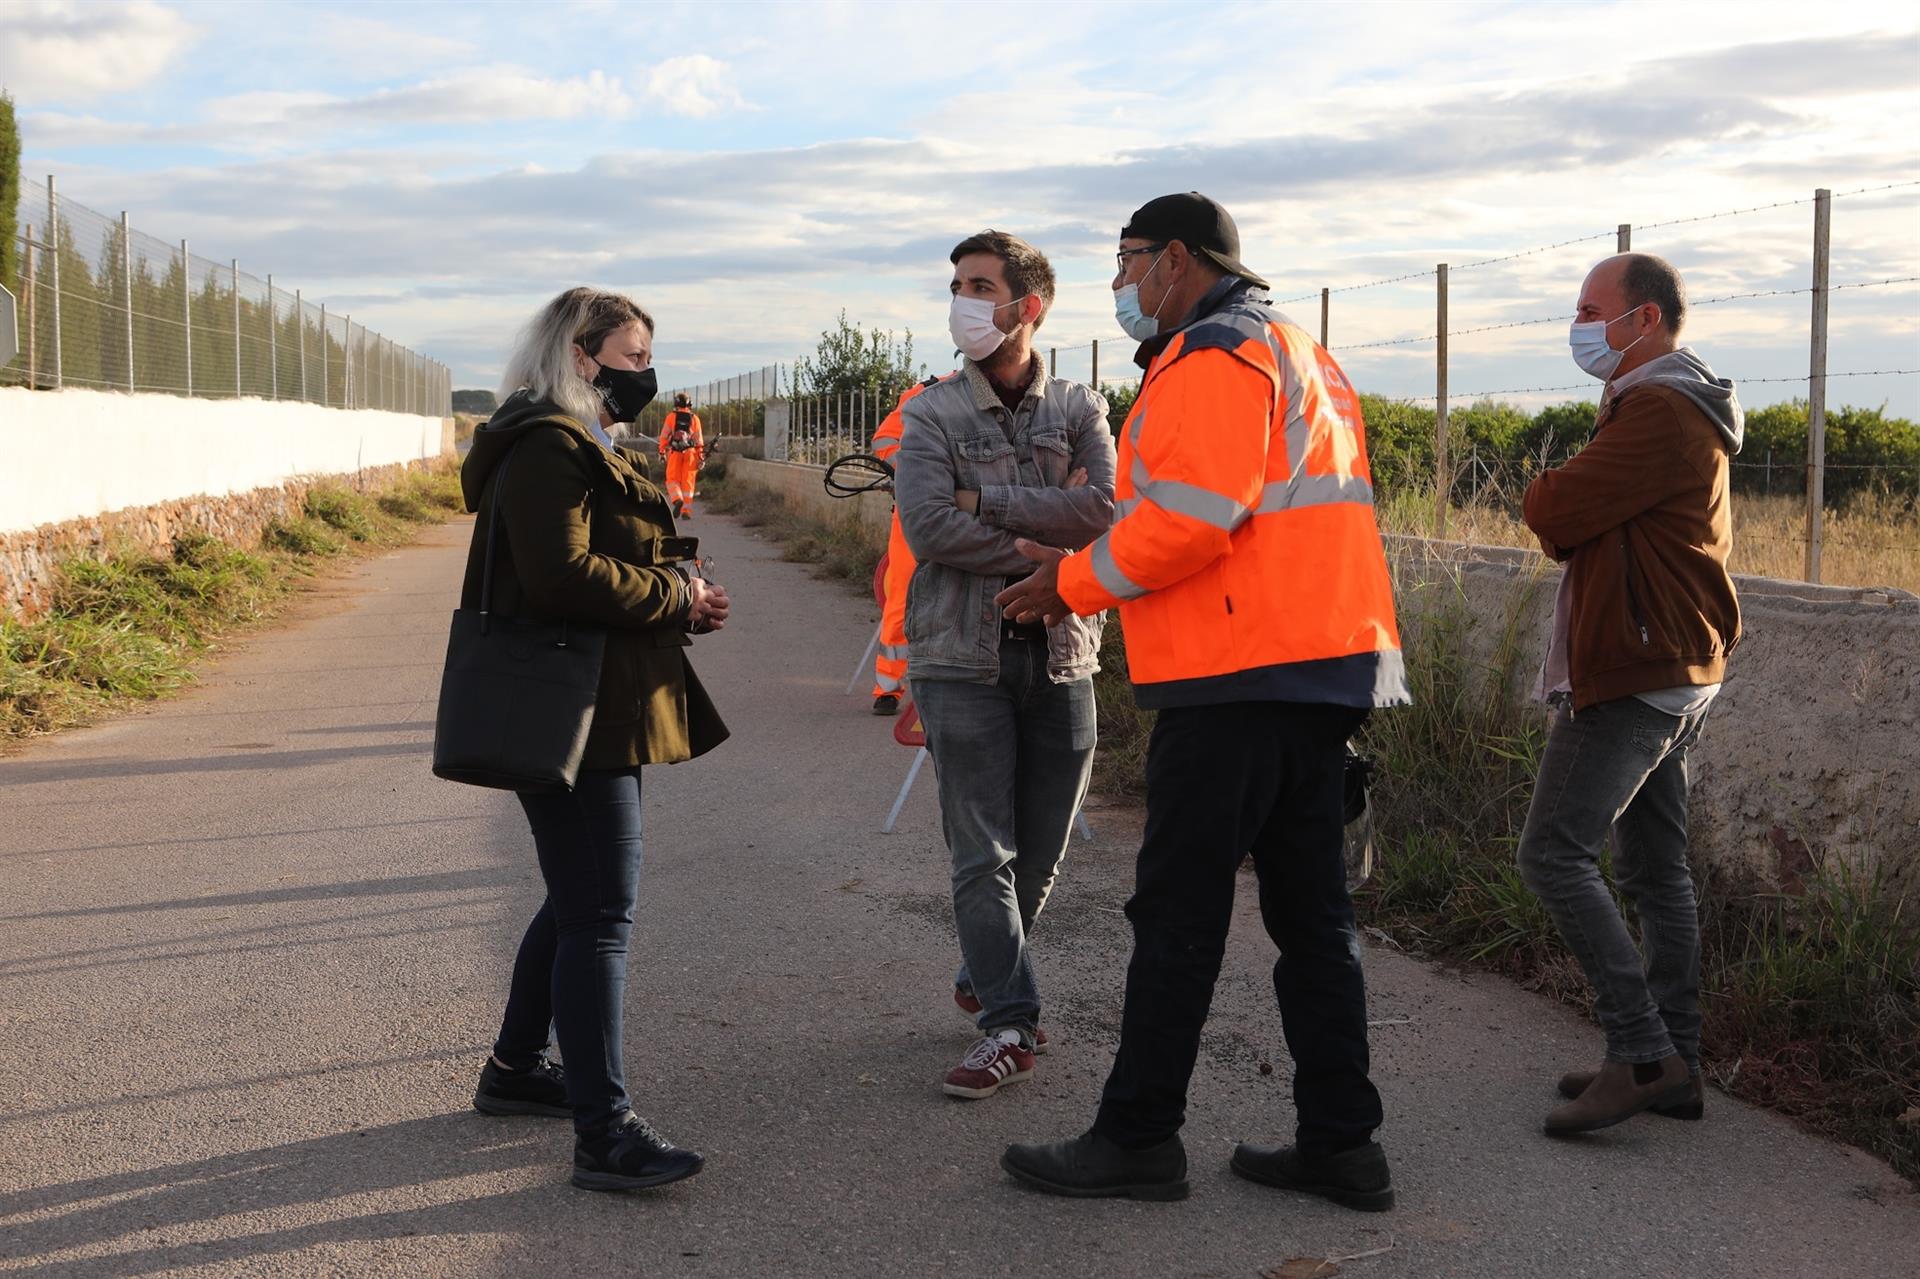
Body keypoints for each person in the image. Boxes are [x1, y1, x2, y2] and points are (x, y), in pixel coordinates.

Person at [996, 193, 1408, 1207]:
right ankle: (1342, 1143)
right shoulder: (1298, 349)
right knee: (1315, 920)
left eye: (1129, 260)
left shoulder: (1212, 354)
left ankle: (1139, 1136)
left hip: (1234, 678)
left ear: (1177, 260)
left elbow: (1189, 523)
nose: (1122, 283)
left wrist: (1069, 582)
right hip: (1320, 672)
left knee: (1179, 916)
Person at [462, 287, 731, 1192]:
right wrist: (677, 596)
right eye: (631, 352)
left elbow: (591, 562)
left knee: (575, 899)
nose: (644, 371)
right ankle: (603, 1130)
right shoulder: (549, 443)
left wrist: (680, 588)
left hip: (598, 698)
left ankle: (512, 1069)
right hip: (572, 708)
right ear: (582, 356)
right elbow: (559, 576)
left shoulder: (571, 440)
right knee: (600, 915)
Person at [1517, 253, 1742, 1135]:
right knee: (1654, 866)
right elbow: (1581, 521)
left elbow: (1554, 511)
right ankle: (1675, 1063)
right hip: (1677, 660)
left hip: (1638, 662)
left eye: (1589, 309)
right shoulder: (1665, 404)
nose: (1577, 325)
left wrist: (1552, 493)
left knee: (1553, 855)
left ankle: (1642, 1051)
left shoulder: (1655, 410)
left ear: (1643, 320)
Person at [894, 230, 1116, 1100]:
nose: (963, 300)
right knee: (980, 853)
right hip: (960, 659)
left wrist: (987, 499)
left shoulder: (1080, 407)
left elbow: (1103, 509)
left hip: (1065, 657)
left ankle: (986, 966)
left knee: (1044, 850)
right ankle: (1010, 1022)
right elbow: (926, 527)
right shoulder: (931, 411)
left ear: (1030, 306)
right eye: (957, 284)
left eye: (981, 285)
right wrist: (1046, 552)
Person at [866, 376, 944, 716]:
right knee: (902, 597)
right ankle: (887, 688)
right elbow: (884, 440)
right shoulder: (923, 393)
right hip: (915, 512)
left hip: (973, 512)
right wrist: (915, 469)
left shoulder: (999, 388)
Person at [658, 392, 706, 519]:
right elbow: (699, 441)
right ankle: (686, 511)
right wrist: (701, 457)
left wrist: (662, 451)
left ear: (676, 404)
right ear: (689, 404)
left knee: (672, 479)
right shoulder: (695, 419)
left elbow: (664, 436)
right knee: (688, 483)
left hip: (675, 452)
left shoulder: (671, 417)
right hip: (690, 454)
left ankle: (677, 499)